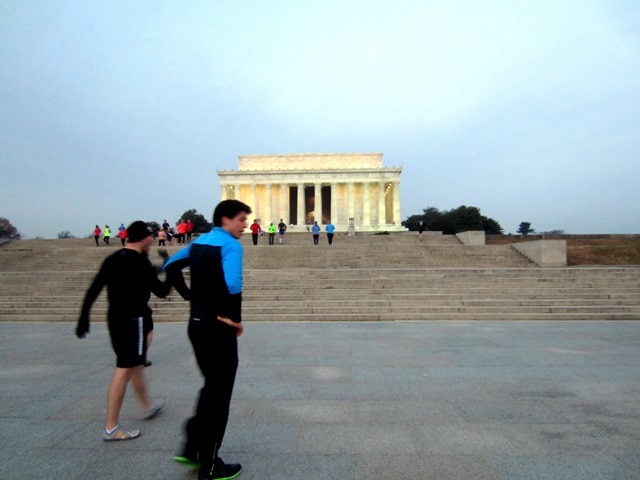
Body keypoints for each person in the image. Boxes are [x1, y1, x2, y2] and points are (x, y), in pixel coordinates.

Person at [164, 199, 250, 480]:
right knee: (219, 396)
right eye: (241, 219)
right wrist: (234, 317)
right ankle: (211, 465)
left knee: (211, 388)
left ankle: (191, 447)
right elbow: (233, 283)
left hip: (196, 326)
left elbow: (171, 266)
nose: (245, 225)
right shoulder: (230, 245)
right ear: (225, 219)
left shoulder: (199, 243)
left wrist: (190, 298)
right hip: (219, 328)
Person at [75, 221, 171, 441]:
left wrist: (84, 316)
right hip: (134, 320)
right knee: (125, 369)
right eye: (150, 236)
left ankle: (147, 405)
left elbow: (94, 287)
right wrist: (172, 273)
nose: (153, 240)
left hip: (115, 319)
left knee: (134, 364)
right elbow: (162, 291)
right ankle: (111, 428)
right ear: (142, 238)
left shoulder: (114, 258)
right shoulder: (139, 262)